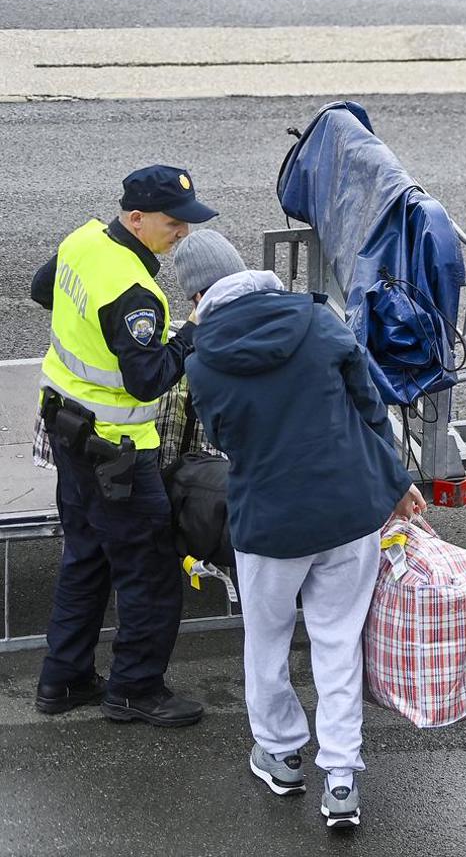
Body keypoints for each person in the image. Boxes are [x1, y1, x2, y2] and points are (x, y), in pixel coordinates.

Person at [176, 230, 426, 830]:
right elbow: (370, 408)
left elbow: (224, 439)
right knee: (338, 642)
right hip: (347, 512)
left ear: (197, 297)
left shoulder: (202, 363)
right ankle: (341, 780)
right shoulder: (320, 321)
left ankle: (282, 754)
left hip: (268, 522)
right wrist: (395, 481)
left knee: (266, 640)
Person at [32, 165, 217, 726]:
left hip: (67, 431)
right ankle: (135, 689)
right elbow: (148, 380)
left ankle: (63, 681)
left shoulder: (82, 240)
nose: (182, 233)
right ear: (135, 218)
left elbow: (44, 290)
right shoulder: (136, 294)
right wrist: (190, 333)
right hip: (117, 454)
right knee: (151, 570)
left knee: (86, 556)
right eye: (172, 222)